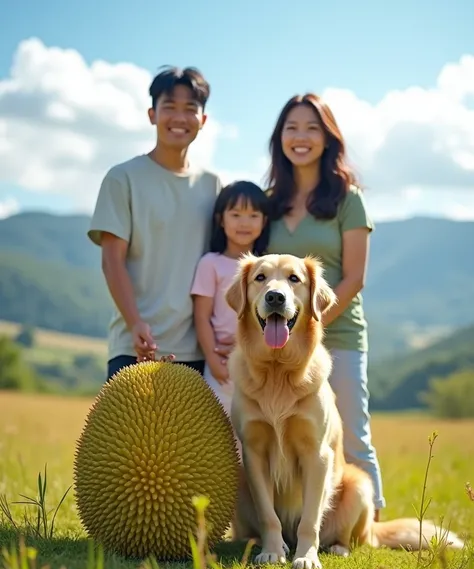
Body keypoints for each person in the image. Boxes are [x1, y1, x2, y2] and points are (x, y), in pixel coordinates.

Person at [264, 93, 386, 520]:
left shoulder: (348, 199)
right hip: (280, 341)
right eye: (291, 128)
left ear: (328, 137)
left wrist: (309, 324)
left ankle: (369, 523)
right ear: (279, 138)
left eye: (312, 128)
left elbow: (354, 278)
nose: (301, 137)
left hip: (340, 334)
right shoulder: (270, 202)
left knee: (351, 431)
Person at [87, 65, 229, 381]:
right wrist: (136, 323)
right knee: (127, 433)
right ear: (152, 114)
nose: (179, 118)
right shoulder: (123, 178)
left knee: (194, 435)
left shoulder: (213, 185)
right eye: (169, 107)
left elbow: (223, 263)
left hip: (199, 351)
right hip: (134, 345)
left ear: (203, 121)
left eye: (190, 109)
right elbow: (112, 261)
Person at [190, 180, 270, 429]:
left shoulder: (267, 267)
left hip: (259, 366)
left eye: (253, 215)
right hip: (222, 367)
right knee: (220, 434)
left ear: (264, 221)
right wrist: (213, 361)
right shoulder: (210, 263)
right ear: (221, 220)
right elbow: (201, 317)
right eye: (235, 215)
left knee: (257, 437)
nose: (244, 222)